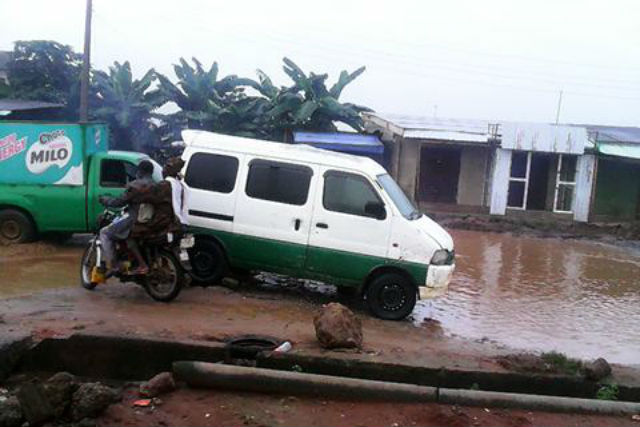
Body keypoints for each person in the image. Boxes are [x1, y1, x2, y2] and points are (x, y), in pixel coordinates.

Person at [98, 160, 155, 275]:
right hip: (151, 220)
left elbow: (120, 202)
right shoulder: (157, 185)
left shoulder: (136, 185)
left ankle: (114, 266)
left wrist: (106, 200)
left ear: (140, 171)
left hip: (135, 219)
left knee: (104, 233)